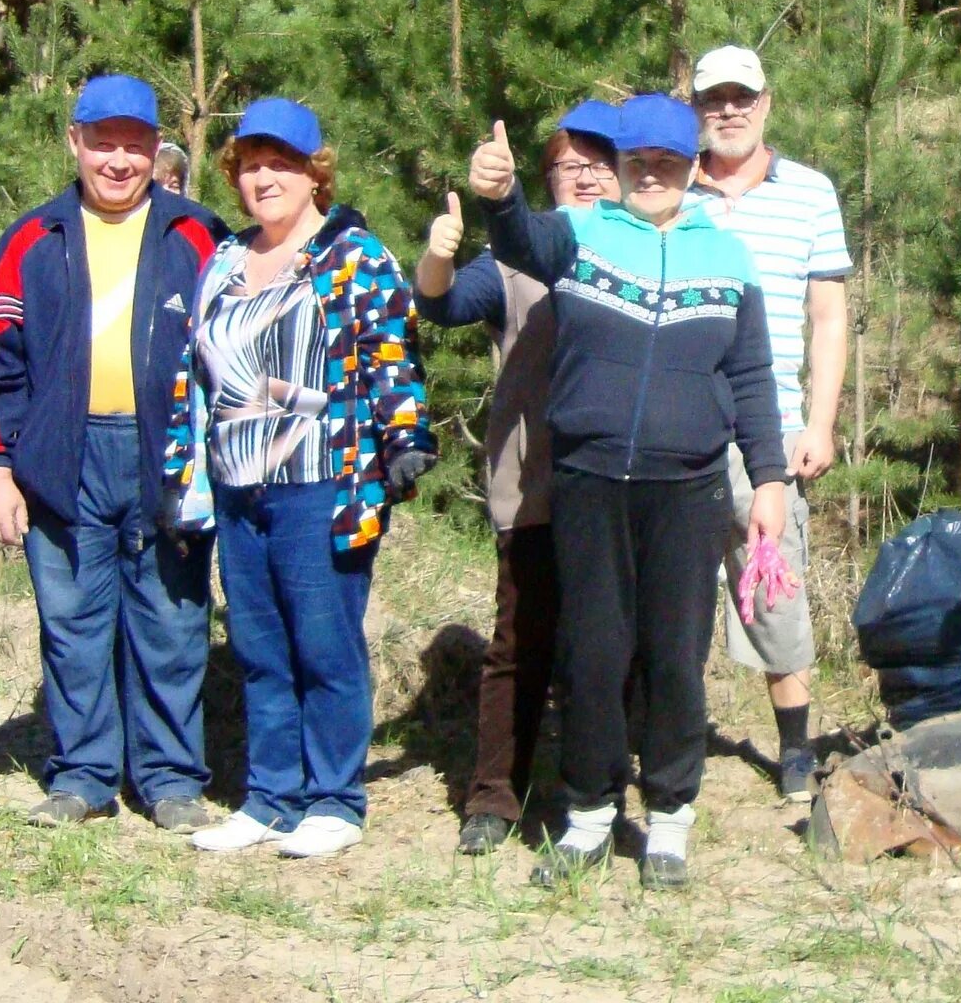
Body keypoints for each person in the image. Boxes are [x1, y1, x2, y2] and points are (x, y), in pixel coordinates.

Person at [469, 93, 788, 889]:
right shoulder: (581, 234)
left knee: (676, 657)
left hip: (687, 489)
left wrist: (771, 477)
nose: (650, 173)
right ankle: (587, 816)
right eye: (636, 161)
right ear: (616, 167)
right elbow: (516, 238)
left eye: (666, 162)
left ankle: (671, 818)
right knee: (594, 653)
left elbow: (751, 377)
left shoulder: (728, 256)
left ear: (691, 168)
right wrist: (501, 193)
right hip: (589, 480)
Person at [0, 74, 228, 831]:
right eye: (102, 142)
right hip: (62, 460)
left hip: (167, 460)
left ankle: (171, 780)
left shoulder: (198, 236)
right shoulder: (32, 240)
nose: (118, 160)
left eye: (134, 145)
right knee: (73, 625)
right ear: (74, 142)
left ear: (154, 150)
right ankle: (82, 776)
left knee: (172, 622)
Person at [177, 99, 435, 859]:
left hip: (323, 480)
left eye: (281, 162)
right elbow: (194, 371)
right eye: (251, 163)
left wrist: (404, 438)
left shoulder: (353, 254)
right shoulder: (224, 260)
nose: (265, 177)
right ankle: (269, 796)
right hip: (236, 479)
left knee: (323, 643)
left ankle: (333, 798)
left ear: (314, 170)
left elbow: (393, 350)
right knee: (258, 645)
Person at [413, 101, 622, 854]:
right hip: (532, 481)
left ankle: (598, 791)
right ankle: (495, 798)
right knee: (519, 641)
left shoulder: (642, 251)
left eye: (601, 163)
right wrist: (439, 253)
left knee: (609, 643)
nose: (589, 177)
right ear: (548, 182)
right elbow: (437, 303)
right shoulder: (512, 259)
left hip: (619, 485)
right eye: (571, 166)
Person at [685, 44, 854, 799]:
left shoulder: (811, 192)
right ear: (695, 109)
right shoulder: (665, 193)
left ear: (767, 104)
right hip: (678, 432)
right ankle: (666, 738)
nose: (728, 110)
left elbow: (827, 316)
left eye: (741, 98)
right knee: (668, 596)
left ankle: (794, 750)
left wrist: (818, 425)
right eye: (713, 99)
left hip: (769, 434)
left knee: (774, 588)